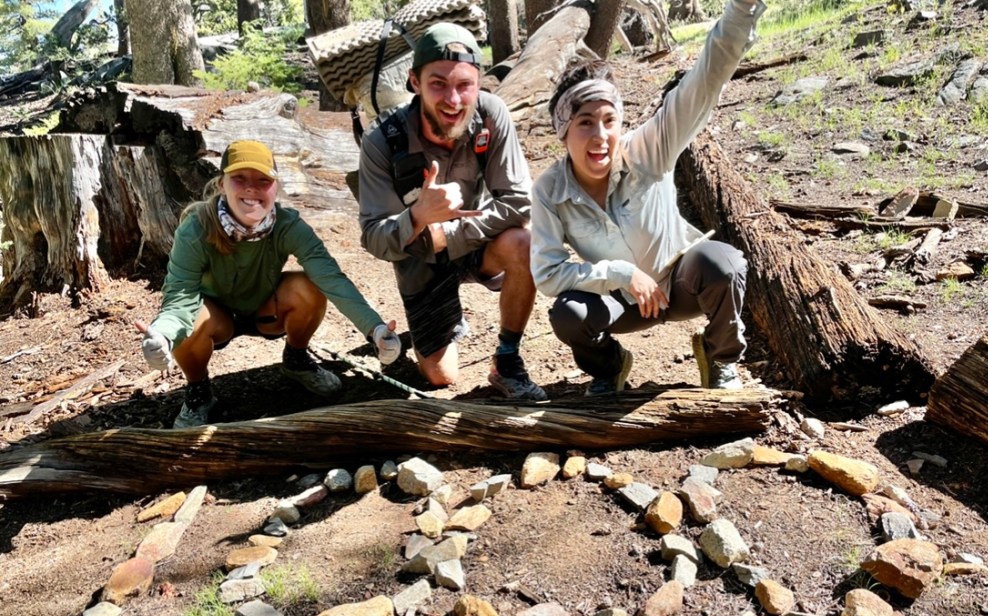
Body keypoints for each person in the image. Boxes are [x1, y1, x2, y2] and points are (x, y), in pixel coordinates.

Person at [530, 0, 766, 396]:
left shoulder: (647, 151)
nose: (600, 136)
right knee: (569, 314)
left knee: (724, 263)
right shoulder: (550, 190)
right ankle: (610, 366)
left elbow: (704, 81)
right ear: (563, 131)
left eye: (609, 121)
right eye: (585, 123)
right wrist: (620, 274)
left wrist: (741, 11)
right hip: (620, 302)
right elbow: (549, 274)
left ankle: (720, 358)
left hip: (680, 285)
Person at [136, 139, 401, 429]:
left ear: (275, 187)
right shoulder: (196, 228)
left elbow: (330, 278)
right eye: (239, 178)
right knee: (189, 319)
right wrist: (163, 335)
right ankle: (198, 391)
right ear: (222, 184)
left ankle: (296, 359)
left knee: (308, 286)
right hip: (216, 317)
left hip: (266, 309)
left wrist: (374, 329)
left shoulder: (287, 225)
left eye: (263, 180)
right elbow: (180, 295)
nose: (251, 188)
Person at [357, 22, 546, 401]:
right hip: (418, 258)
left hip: (475, 240)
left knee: (523, 243)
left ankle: (507, 361)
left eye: (465, 85)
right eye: (438, 84)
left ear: (479, 82)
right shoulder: (382, 141)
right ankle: (446, 320)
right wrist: (418, 217)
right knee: (441, 376)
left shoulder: (491, 117)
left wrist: (451, 236)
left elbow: (521, 201)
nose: (454, 99)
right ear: (414, 82)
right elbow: (373, 237)